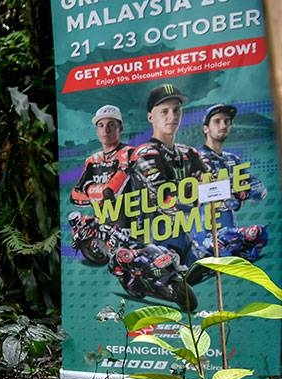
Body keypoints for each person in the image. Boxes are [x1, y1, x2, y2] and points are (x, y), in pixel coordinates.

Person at [128, 83, 209, 264]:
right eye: (164, 111)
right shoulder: (144, 153)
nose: (172, 116)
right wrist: (193, 188)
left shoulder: (189, 153)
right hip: (156, 242)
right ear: (151, 117)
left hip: (189, 236)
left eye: (176, 110)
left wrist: (191, 189)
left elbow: (214, 187)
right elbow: (166, 199)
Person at [196, 103, 267, 234]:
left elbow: (259, 190)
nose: (223, 125)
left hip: (230, 232)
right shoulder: (194, 157)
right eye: (217, 121)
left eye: (226, 121)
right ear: (206, 128)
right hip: (203, 235)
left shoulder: (233, 159)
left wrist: (244, 191)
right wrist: (233, 192)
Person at [70, 104, 133, 217]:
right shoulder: (92, 160)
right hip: (102, 222)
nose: (106, 130)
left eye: (111, 125)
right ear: (96, 131)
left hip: (129, 223)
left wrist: (89, 189)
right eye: (101, 125)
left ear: (120, 128)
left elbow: (111, 190)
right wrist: (101, 194)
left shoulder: (129, 153)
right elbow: (74, 195)